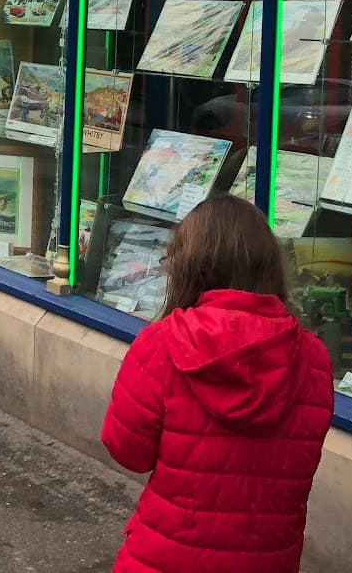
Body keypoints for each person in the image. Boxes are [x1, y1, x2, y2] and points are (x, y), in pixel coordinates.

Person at [100, 195, 334, 572]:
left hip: (165, 558)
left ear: (191, 267)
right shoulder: (313, 360)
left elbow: (127, 449)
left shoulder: (162, 345)